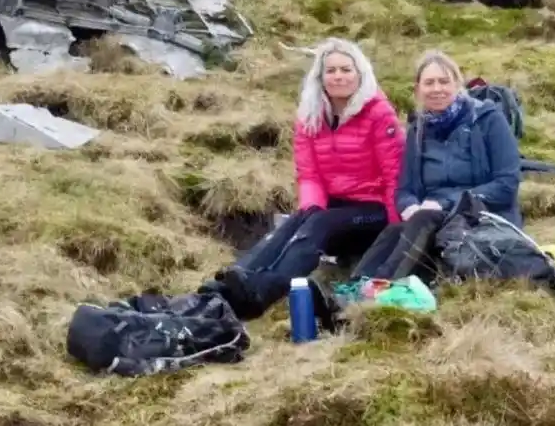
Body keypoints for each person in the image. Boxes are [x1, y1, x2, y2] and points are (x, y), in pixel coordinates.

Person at [202, 37, 406, 321]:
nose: (338, 76)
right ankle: (236, 282)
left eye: (346, 69)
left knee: (322, 222)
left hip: (375, 210)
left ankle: (266, 291)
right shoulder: (310, 115)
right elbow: (309, 174)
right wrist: (312, 206)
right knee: (300, 218)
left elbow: (396, 175)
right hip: (336, 205)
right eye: (331, 70)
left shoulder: (379, 114)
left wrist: (395, 231)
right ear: (320, 77)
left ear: (360, 73)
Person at [319, 49, 525, 312]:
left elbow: (507, 184)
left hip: (483, 216)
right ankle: (354, 287)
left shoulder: (488, 120)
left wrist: (444, 204)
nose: (436, 89)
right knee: (395, 230)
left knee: (423, 219)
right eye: (429, 83)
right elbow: (405, 189)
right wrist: (408, 206)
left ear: (457, 85)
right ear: (417, 90)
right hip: (432, 219)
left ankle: (373, 295)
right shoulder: (419, 130)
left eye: (444, 81)